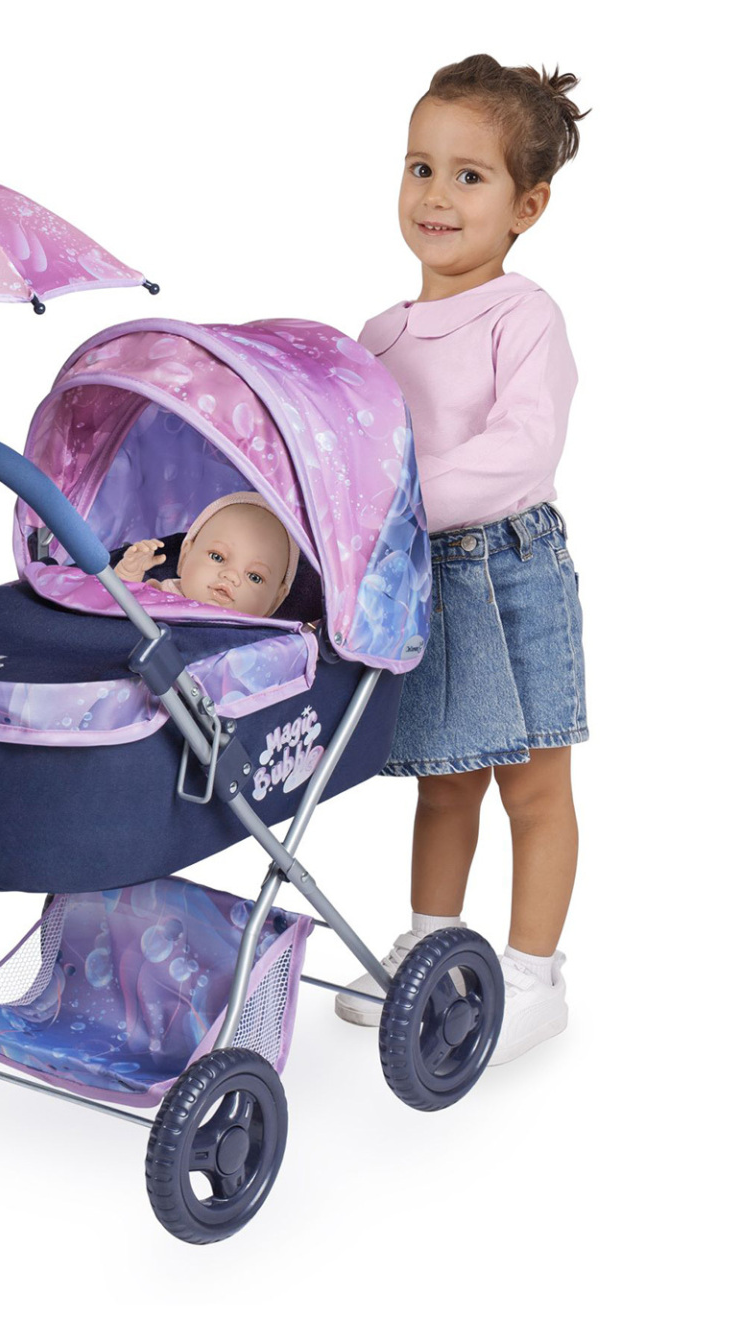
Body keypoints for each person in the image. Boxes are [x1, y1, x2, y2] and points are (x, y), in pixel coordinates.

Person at [335, 55, 589, 1064]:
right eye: (421, 167)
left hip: (508, 570)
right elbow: (355, 452)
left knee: (535, 783)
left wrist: (399, 507)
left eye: (469, 176)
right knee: (443, 780)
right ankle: (431, 946)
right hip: (421, 579)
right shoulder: (378, 335)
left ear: (528, 205)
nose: (436, 195)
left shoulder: (523, 316)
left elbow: (521, 451)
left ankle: (532, 974)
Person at [115, 492, 298, 618]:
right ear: (185, 557)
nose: (231, 576)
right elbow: (114, 614)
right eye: (217, 557)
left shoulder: (264, 646)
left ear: (275, 601)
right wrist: (129, 574)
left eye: (255, 577)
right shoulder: (160, 594)